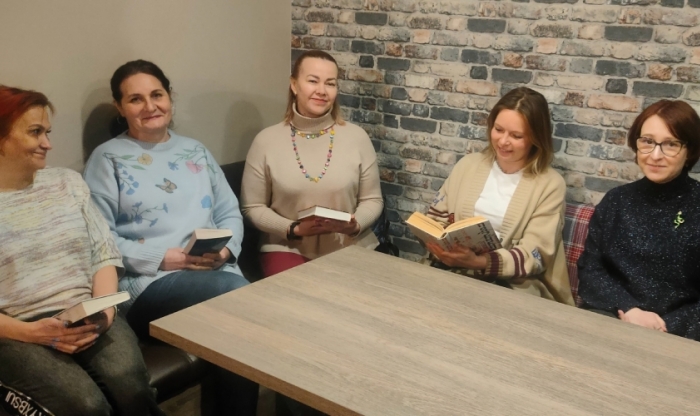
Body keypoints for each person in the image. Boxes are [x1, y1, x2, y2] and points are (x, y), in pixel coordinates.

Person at [82, 60, 258, 415]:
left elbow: (229, 212)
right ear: (120, 107)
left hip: (214, 274)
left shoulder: (196, 151)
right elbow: (100, 240)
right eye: (136, 99)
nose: (150, 106)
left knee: (239, 331)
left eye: (157, 95)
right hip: (149, 284)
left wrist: (225, 252)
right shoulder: (107, 159)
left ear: (170, 97)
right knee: (241, 302)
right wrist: (164, 258)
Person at [0, 86, 163, 415]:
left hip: (85, 312)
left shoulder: (67, 183)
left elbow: (103, 254)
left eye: (47, 132)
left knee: (130, 384)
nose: (48, 143)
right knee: (85, 405)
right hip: (16, 329)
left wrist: (105, 312)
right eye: (35, 132)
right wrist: (32, 333)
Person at [424, 87, 574, 305]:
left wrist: (480, 262)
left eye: (516, 136)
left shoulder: (550, 184)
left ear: (536, 138)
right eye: (498, 129)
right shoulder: (468, 165)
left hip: (511, 286)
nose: (503, 141)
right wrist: (440, 247)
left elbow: (536, 255)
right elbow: (436, 219)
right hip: (452, 272)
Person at [241, 50, 383, 278]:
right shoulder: (266, 141)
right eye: (313, 81)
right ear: (294, 85)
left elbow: (373, 199)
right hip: (286, 247)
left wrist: (356, 224)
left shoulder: (357, 137)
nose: (322, 91)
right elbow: (253, 207)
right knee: (303, 295)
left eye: (330, 83)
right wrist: (293, 228)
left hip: (350, 246)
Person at [578, 100, 700, 340]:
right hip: (610, 317)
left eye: (671, 144)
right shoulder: (616, 201)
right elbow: (590, 269)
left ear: (690, 150)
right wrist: (629, 309)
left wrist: (665, 325)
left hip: (679, 335)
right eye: (647, 141)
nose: (655, 155)